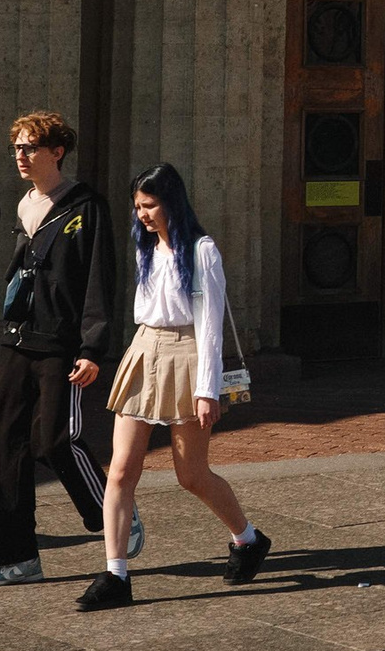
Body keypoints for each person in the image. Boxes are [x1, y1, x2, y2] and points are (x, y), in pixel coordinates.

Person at [77, 165, 271, 610]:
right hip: (145, 348)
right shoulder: (147, 247)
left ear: (173, 202)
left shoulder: (201, 251)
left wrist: (208, 389)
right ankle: (116, 574)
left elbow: (210, 326)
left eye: (150, 205)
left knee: (191, 475)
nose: (142, 215)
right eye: (137, 207)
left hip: (188, 354)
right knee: (122, 470)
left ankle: (247, 538)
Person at [0, 111, 115, 589]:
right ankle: (14, 557)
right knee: (3, 441)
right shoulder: (25, 204)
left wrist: (93, 347)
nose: (20, 156)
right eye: (16, 147)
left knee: (54, 438)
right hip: (17, 338)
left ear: (56, 151)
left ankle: (114, 514)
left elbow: (99, 280)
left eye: (29, 147)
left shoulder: (86, 205)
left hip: (62, 343)